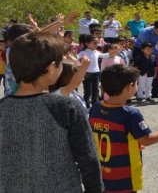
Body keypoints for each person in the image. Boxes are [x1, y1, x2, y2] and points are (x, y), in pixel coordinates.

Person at [0, 32, 103, 192]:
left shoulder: (3, 108)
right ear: (50, 69)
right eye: (60, 63)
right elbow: (87, 159)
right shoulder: (66, 106)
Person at [89, 65, 158, 192]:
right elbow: (147, 139)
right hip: (123, 179)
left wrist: (132, 143)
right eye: (136, 83)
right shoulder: (130, 114)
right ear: (130, 86)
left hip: (101, 175)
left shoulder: (96, 107)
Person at [134, 21, 158, 95]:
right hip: (140, 50)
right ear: (154, 28)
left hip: (153, 50)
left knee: (154, 71)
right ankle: (137, 93)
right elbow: (148, 47)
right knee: (140, 73)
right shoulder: (145, 32)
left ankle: (155, 93)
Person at [78, 34, 110, 108]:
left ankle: (95, 105)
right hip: (87, 73)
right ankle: (86, 106)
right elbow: (76, 59)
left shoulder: (96, 52)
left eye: (97, 43)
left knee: (96, 90)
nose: (97, 44)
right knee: (88, 91)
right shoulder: (83, 53)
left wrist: (114, 51)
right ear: (87, 43)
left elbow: (104, 55)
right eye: (94, 43)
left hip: (96, 73)